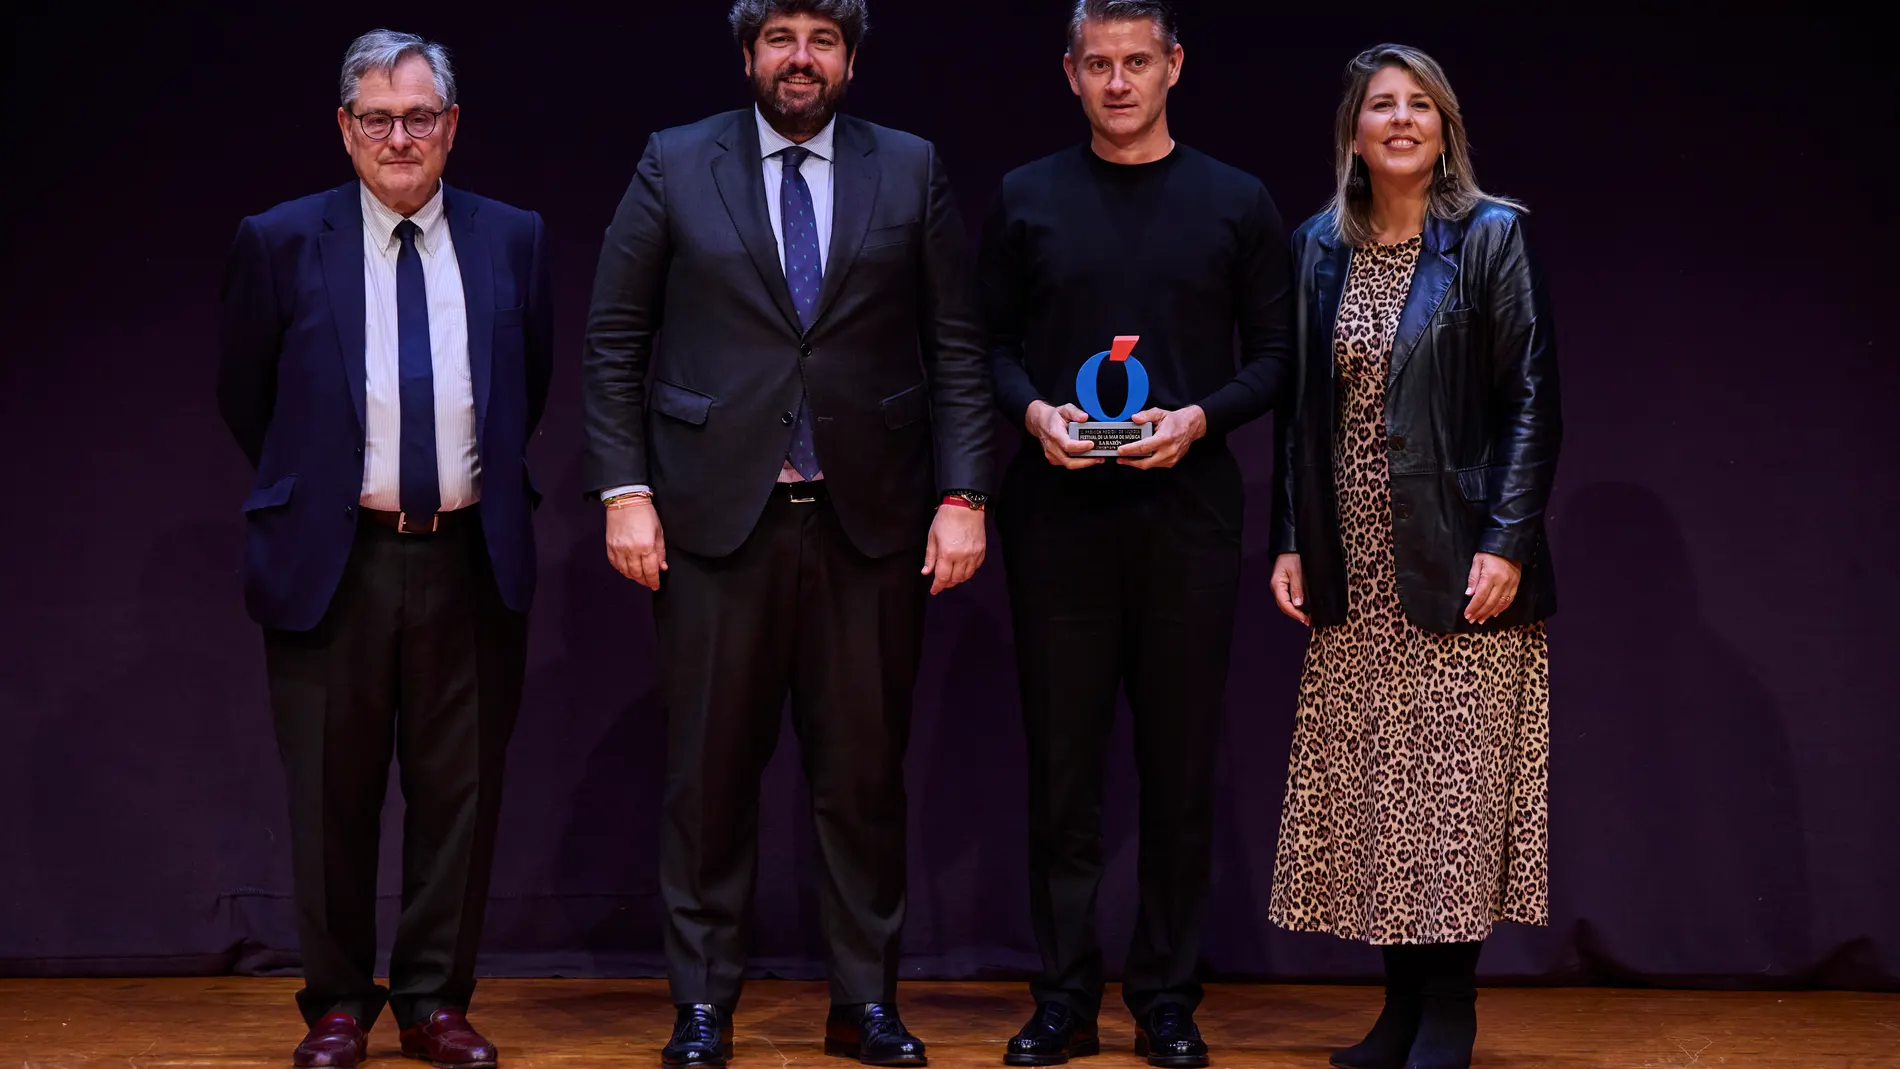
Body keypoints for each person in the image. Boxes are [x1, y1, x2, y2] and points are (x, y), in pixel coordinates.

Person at [579, 1, 995, 1065]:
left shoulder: (910, 166)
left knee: (861, 777)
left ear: (850, 59)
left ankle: (863, 1000)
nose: (798, 58)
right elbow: (615, 337)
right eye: (779, 38)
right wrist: (623, 489)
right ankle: (702, 1002)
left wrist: (965, 497)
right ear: (748, 54)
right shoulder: (676, 163)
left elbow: (956, 345)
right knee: (707, 776)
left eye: (820, 39)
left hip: (871, 524)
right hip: (716, 521)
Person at [217, 28, 552, 1069]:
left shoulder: (514, 238)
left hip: (467, 555)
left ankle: (434, 1002)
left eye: (418, 117)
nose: (397, 136)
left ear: (451, 128)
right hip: (334, 557)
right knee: (332, 792)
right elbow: (248, 397)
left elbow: (524, 388)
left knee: (459, 794)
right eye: (377, 117)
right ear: (344, 129)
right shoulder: (277, 240)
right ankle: (334, 1003)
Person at [978, 3, 1293, 1065]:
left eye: (1137, 63)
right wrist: (1033, 416)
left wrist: (1199, 418)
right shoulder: (1026, 197)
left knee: (1177, 769)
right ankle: (1063, 997)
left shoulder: (1234, 201)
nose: (1118, 82)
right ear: (1069, 74)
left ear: (1174, 67)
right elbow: (988, 347)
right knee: (1061, 772)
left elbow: (1276, 358)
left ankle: (1165, 995)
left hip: (1186, 519)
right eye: (1098, 65)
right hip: (1057, 521)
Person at [1265, 43, 1561, 1069]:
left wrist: (1506, 539)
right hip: (1355, 561)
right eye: (1380, 105)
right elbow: (1301, 412)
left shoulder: (1488, 238)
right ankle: (1396, 1010)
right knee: (1380, 790)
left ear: (1444, 130)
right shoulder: (1316, 247)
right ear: (1354, 129)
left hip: (1456, 554)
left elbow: (1531, 399)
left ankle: (1449, 1012)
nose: (1399, 120)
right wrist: (1293, 540)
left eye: (1419, 106)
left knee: (1450, 794)